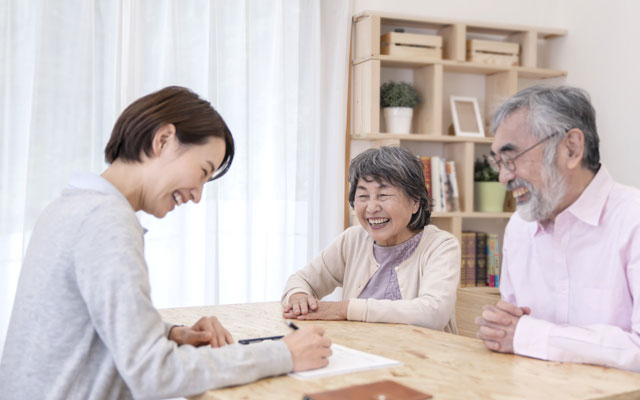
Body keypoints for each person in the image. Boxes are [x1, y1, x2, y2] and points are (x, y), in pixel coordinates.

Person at [0, 86, 332, 399]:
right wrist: (283, 354)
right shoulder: (106, 221)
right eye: (203, 171)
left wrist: (167, 333)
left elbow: (84, 320)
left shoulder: (72, 205)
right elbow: (152, 373)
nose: (198, 195)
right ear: (164, 139)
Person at [474, 85, 640, 372]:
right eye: (498, 162)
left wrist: (527, 335)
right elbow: (513, 331)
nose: (503, 177)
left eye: (511, 158)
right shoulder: (519, 226)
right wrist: (499, 327)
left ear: (572, 148)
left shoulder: (632, 220)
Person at [282, 146, 460, 332]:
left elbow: (433, 313)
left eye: (383, 195)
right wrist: (298, 296)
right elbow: (302, 280)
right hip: (364, 352)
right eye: (363, 196)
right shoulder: (353, 239)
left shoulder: (441, 246)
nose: (371, 207)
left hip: (425, 356)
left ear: (415, 202)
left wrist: (345, 309)